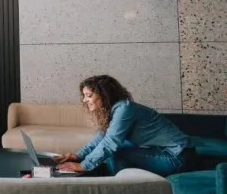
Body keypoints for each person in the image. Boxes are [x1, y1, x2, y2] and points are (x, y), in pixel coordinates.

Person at [56, 75, 196, 177]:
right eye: (84, 96)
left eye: (89, 95)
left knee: (116, 151)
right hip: (164, 152)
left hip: (177, 157)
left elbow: (110, 143)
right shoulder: (113, 110)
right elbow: (101, 138)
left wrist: (83, 165)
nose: (84, 100)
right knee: (115, 149)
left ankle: (119, 189)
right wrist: (78, 155)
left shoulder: (124, 109)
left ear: (104, 95)